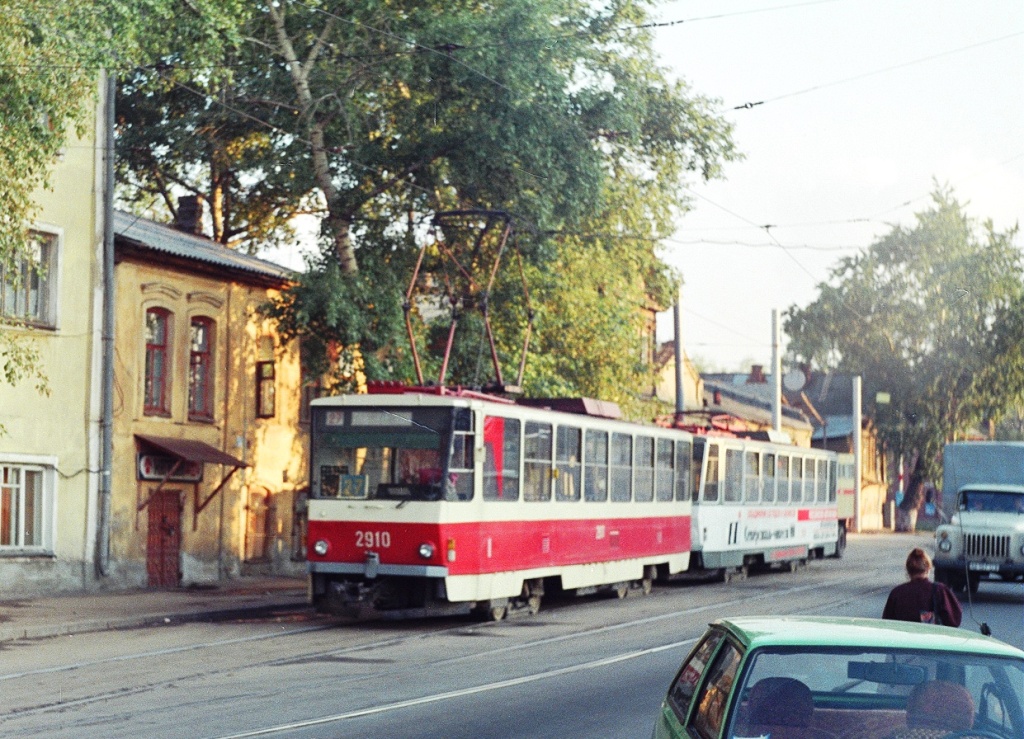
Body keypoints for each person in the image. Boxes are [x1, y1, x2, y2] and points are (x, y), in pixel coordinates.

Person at [882, 548, 962, 627]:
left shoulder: (897, 593)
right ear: (928, 569)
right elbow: (954, 621)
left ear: (908, 570)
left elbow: (887, 624)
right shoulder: (940, 590)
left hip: (904, 639)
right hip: (930, 638)